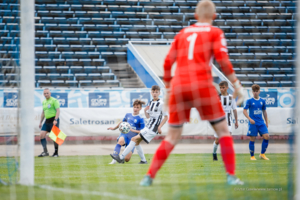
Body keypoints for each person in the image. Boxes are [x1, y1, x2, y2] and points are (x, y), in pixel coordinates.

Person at [139, 0, 245, 186]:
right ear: (214, 16)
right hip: (202, 85)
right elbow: (224, 61)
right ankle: (231, 176)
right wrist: (237, 85)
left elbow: (166, 63)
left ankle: (148, 177)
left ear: (195, 16)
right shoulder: (215, 32)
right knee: (223, 131)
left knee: (172, 137)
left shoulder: (182, 33)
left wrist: (169, 88)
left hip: (180, 87)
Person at [111, 85, 168, 164]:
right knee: (136, 142)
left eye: (156, 92)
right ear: (151, 93)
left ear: (159, 93)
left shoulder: (162, 104)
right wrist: (145, 111)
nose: (155, 93)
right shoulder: (151, 102)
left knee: (133, 139)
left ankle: (120, 157)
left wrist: (159, 127)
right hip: (149, 126)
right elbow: (148, 117)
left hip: (153, 128)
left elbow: (166, 117)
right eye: (153, 92)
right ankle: (143, 160)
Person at [108, 99, 147, 164]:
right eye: (134, 107)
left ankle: (121, 159)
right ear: (133, 107)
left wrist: (132, 130)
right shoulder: (128, 115)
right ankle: (114, 160)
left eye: (137, 107)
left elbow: (142, 132)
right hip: (124, 134)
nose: (135, 109)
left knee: (127, 159)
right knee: (120, 141)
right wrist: (113, 128)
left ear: (140, 108)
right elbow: (121, 123)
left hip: (132, 139)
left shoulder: (141, 119)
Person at [213, 81, 238, 161]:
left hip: (228, 121)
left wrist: (236, 121)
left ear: (227, 88)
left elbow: (234, 110)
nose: (221, 89)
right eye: (220, 88)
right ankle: (214, 153)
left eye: (223, 87)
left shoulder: (231, 98)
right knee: (217, 141)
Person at [243, 84, 269, 161]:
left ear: (259, 91)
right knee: (252, 139)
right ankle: (252, 156)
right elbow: (244, 111)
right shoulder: (249, 101)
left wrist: (266, 122)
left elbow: (264, 111)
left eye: (256, 91)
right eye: (254, 91)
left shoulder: (262, 101)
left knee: (267, 136)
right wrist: (249, 119)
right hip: (253, 123)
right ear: (252, 92)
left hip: (261, 123)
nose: (255, 93)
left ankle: (262, 154)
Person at [38, 88, 60, 157]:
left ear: (50, 93)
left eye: (47, 93)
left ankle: (56, 153)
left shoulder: (54, 100)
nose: (46, 94)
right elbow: (43, 112)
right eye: (45, 93)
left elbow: (58, 111)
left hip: (53, 120)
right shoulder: (44, 102)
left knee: (55, 137)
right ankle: (45, 152)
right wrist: (40, 122)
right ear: (43, 94)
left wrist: (55, 119)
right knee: (41, 135)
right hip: (47, 121)